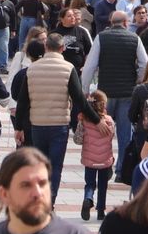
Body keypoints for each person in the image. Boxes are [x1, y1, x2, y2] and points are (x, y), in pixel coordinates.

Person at [10, 31, 98, 202]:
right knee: (55, 165)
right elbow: (79, 99)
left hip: (37, 124)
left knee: (39, 164)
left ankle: (38, 197)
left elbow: (22, 101)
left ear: (46, 47)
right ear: (62, 48)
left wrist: (19, 127)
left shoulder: (32, 69)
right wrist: (96, 119)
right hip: (59, 125)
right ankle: (51, 197)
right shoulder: (68, 68)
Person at [81, 9, 147, 161]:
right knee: (125, 134)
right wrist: (138, 79)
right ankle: (121, 169)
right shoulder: (134, 38)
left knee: (102, 131)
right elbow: (145, 63)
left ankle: (103, 163)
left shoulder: (101, 38)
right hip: (127, 92)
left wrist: (85, 89)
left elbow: (90, 66)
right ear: (126, 23)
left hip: (105, 92)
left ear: (111, 23)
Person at [75, 89, 117, 222]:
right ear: (104, 105)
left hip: (90, 159)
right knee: (103, 185)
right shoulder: (109, 121)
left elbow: (78, 139)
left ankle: (88, 199)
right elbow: (111, 137)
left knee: (90, 184)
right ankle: (100, 211)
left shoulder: (84, 120)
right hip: (105, 159)